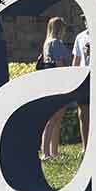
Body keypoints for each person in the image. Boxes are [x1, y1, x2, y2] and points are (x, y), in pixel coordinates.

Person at [38, 17, 71, 160]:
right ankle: (47, 152)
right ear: (60, 28)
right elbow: (59, 64)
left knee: (55, 118)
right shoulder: (56, 43)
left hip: (49, 82)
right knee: (54, 119)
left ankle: (53, 152)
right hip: (59, 82)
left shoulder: (47, 43)